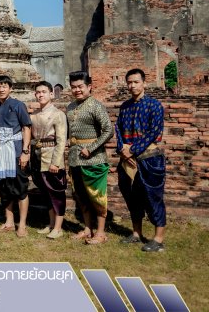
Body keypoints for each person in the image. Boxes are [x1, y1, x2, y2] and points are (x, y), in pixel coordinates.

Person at [116, 68, 166, 252]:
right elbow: (118, 129)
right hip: (127, 160)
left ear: (144, 83)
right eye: (129, 82)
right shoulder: (125, 107)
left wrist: (132, 150)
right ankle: (136, 233)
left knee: (153, 197)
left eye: (136, 82)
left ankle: (158, 239)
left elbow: (154, 132)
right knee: (132, 197)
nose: (132, 86)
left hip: (149, 159)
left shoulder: (154, 105)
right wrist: (122, 150)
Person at [66, 71, 113, 245]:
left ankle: (100, 232)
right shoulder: (70, 107)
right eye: (74, 87)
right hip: (75, 159)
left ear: (89, 87)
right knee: (81, 196)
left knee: (97, 196)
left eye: (80, 86)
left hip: (94, 159)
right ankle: (87, 229)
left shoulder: (95, 105)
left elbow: (108, 131)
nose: (77, 90)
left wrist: (91, 148)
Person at [0, 75, 33, 237]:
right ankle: (9, 221)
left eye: (4, 86)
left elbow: (26, 128)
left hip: (16, 151)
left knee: (20, 188)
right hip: (1, 152)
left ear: (10, 88)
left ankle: (22, 224)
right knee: (4, 188)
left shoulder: (18, 105)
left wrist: (25, 152)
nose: (1, 89)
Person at [30, 81, 68, 239]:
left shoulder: (58, 114)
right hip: (38, 157)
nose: (41, 95)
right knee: (46, 193)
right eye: (38, 92)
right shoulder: (34, 115)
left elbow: (61, 140)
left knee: (56, 192)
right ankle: (51, 223)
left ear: (51, 94)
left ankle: (58, 227)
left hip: (52, 156)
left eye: (44, 92)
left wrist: (56, 162)